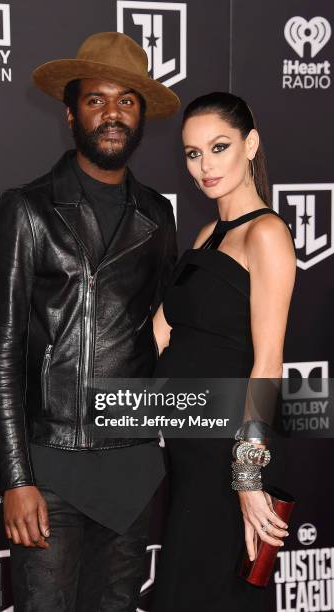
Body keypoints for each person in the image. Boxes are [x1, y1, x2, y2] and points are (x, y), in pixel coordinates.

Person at [0, 32, 179, 612]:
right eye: (96, 100)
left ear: (141, 115)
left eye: (126, 100)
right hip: (51, 467)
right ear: (71, 112)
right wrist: (16, 478)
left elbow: (164, 331)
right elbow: (2, 350)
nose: (112, 113)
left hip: (134, 464)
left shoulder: (158, 214)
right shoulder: (27, 209)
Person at [151, 92, 296, 611]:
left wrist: (248, 474)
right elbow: (161, 334)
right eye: (193, 154)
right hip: (187, 448)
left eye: (218, 147)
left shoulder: (268, 234)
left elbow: (268, 362)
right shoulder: (209, 233)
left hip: (228, 450)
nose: (205, 165)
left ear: (250, 145)